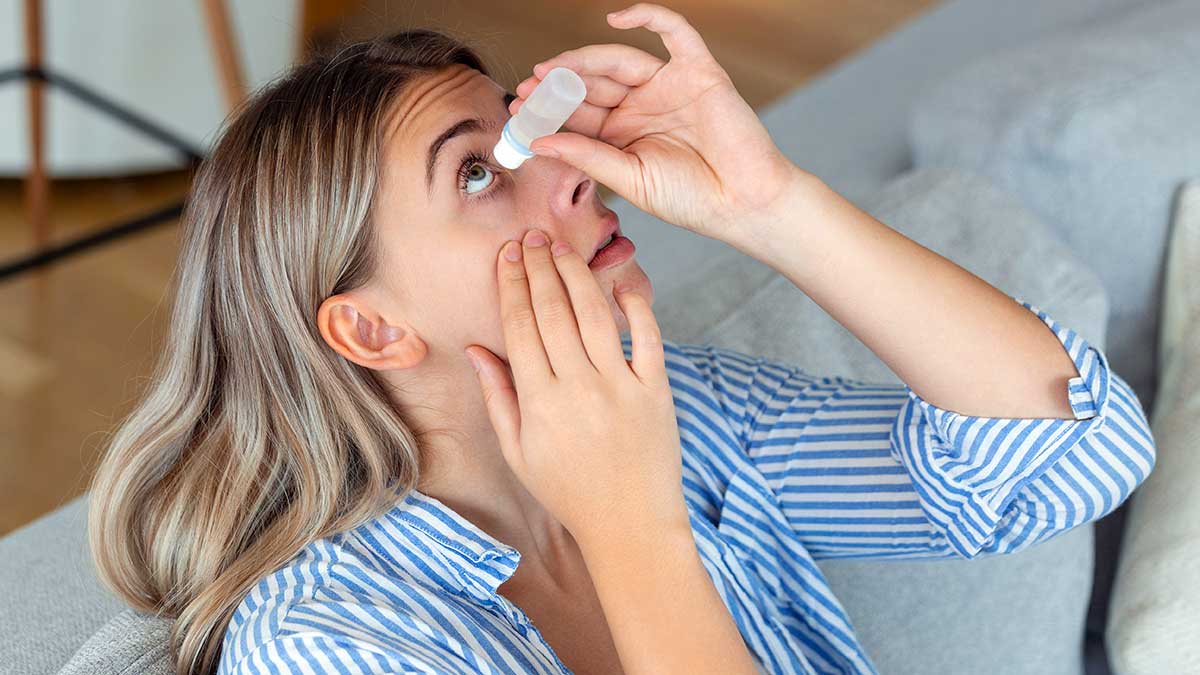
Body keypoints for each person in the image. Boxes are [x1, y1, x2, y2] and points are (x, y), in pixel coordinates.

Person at [86, 3, 1156, 674]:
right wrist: (632, 527)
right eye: (475, 174)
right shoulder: (336, 645)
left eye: (526, 129)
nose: (569, 167)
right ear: (368, 326)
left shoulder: (686, 418)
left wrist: (770, 205)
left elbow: (1071, 453)